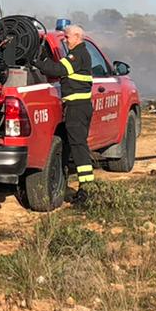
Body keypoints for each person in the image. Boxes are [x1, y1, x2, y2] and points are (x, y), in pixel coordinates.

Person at [34, 23, 97, 204]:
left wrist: (36, 62)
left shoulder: (77, 54)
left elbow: (58, 70)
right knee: (75, 146)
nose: (66, 40)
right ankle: (81, 186)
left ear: (77, 37)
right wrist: (44, 59)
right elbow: (58, 67)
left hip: (77, 108)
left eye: (67, 37)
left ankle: (86, 191)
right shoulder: (79, 54)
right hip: (78, 107)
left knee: (78, 147)